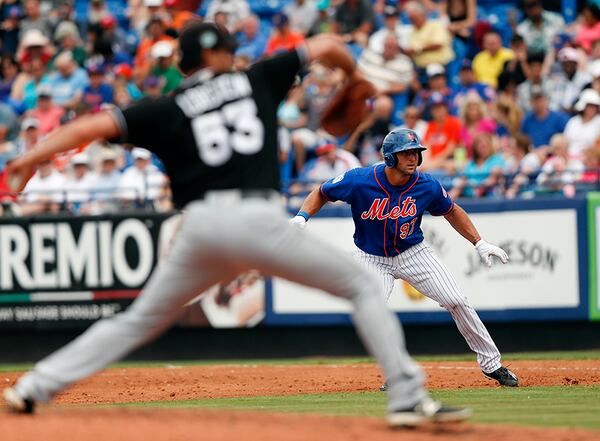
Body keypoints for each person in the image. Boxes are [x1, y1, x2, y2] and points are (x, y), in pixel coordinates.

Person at [3, 24, 470, 426]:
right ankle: (408, 399)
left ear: (185, 65)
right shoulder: (257, 78)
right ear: (223, 55)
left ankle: (35, 387)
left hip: (201, 228)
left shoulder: (165, 107)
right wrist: (355, 74)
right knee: (363, 287)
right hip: (259, 220)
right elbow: (327, 43)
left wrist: (28, 159)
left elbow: (87, 128)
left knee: (138, 320)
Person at [290, 128, 518, 389]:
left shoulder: (426, 184)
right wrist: (301, 216)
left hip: (413, 252)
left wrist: (479, 242)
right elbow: (321, 192)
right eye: (405, 153)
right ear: (389, 157)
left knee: (457, 300)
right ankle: (397, 373)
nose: (413, 158)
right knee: (373, 312)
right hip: (371, 257)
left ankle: (493, 365)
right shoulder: (360, 180)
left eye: (416, 153)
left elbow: (451, 211)